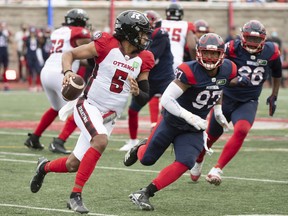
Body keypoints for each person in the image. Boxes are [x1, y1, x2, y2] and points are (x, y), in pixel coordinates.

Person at [29, 10, 154, 214]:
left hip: (110, 116)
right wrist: (68, 72)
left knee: (72, 164)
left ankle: (43, 167)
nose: (145, 38)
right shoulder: (106, 43)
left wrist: (138, 91)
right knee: (100, 141)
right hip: (89, 105)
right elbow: (70, 54)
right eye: (142, 33)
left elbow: (145, 96)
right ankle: (75, 196)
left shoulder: (145, 58)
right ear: (129, 32)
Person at [123, 33, 248, 211]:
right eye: (206, 53)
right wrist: (189, 116)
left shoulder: (229, 69)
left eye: (214, 54)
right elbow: (166, 100)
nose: (210, 57)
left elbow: (218, 86)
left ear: (221, 54)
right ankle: (139, 148)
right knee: (147, 159)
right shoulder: (189, 71)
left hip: (193, 129)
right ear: (198, 53)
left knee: (186, 161)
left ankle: (145, 193)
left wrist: (218, 110)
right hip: (172, 121)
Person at [190, 20, 282, 185]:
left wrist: (274, 95)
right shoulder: (230, 47)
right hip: (225, 98)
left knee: (242, 130)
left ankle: (217, 169)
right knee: (210, 137)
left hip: (249, 100)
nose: (253, 43)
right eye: (250, 38)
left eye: (257, 39)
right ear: (242, 36)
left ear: (264, 39)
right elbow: (215, 68)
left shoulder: (271, 51)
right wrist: (233, 80)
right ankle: (199, 160)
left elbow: (277, 73)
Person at [24, 8, 91, 152]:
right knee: (81, 107)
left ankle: (34, 138)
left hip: (47, 71)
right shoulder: (79, 32)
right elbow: (89, 51)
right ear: (80, 22)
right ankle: (59, 142)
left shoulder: (57, 32)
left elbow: (69, 54)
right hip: (61, 73)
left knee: (55, 108)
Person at [119, 10, 175, 151]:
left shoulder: (160, 34)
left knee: (173, 108)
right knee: (133, 109)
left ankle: (175, 138)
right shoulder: (137, 38)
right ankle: (132, 140)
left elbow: (152, 58)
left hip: (164, 79)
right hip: (147, 78)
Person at [160, 3, 196, 71]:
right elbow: (192, 47)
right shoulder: (186, 25)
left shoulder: (160, 23)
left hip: (160, 61)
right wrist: (195, 63)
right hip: (177, 62)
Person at [0, 21, 12, 91]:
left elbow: (10, 41)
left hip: (4, 51)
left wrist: (7, 35)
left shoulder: (5, 33)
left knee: (5, 68)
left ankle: (6, 84)